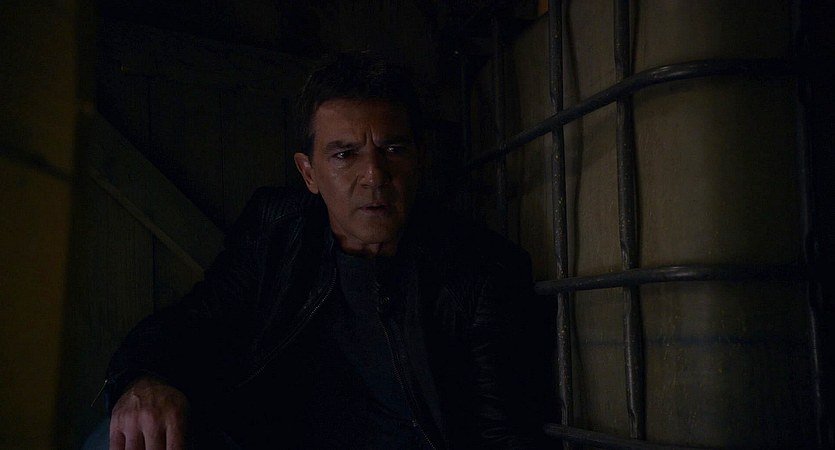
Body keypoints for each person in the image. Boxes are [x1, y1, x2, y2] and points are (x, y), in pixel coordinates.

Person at [100, 51, 546, 450]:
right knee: (126, 433)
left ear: (419, 159)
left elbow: (503, 432)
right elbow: (197, 322)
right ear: (309, 173)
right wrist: (144, 379)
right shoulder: (279, 231)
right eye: (344, 155)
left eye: (393, 149)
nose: (374, 175)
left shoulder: (480, 271)